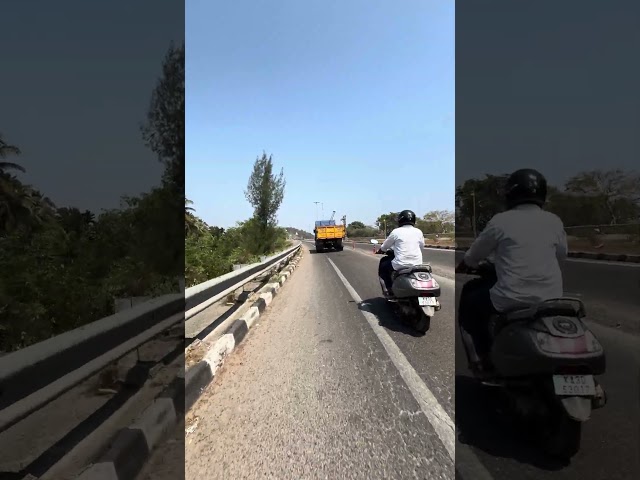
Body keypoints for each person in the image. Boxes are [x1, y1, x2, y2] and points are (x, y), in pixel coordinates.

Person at [456, 168, 568, 373]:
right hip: (552, 299)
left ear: (510, 194)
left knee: (471, 305)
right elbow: (561, 256)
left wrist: (467, 265)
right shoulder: (554, 221)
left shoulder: (501, 221)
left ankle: (481, 360)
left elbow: (472, 257)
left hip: (511, 298)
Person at [377, 210, 426, 298]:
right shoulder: (419, 232)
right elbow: (422, 246)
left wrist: (381, 250)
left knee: (383, 266)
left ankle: (388, 290)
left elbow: (385, 246)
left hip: (400, 264)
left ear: (400, 220)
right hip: (417, 264)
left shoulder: (396, 232)